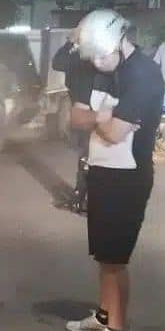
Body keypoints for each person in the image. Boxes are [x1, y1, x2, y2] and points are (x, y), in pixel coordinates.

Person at [64, 9, 163, 331]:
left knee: (115, 259)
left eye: (102, 55)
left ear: (121, 41)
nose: (97, 63)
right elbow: (76, 117)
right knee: (104, 256)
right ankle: (104, 317)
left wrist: (104, 121)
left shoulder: (143, 74)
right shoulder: (99, 66)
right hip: (102, 171)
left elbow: (115, 132)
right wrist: (104, 116)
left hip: (128, 177)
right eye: (92, 56)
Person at [52, 28, 112, 215]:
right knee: (88, 156)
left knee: (88, 156)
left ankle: (84, 200)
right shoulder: (96, 58)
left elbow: (58, 63)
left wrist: (70, 43)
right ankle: (81, 198)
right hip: (94, 110)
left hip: (89, 111)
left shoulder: (85, 59)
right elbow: (58, 63)